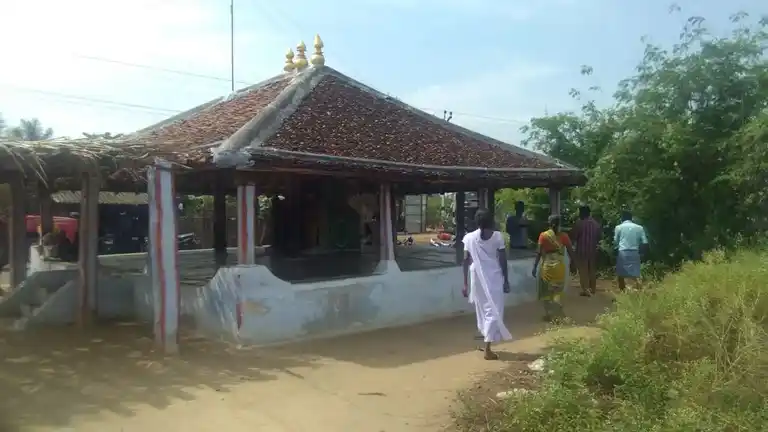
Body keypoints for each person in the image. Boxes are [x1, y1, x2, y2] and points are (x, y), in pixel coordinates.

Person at [462, 208, 512, 360]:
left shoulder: (468, 238)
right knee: (494, 311)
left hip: (476, 277)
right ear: (491, 221)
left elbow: (465, 261)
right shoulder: (498, 237)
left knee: (483, 310)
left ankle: (486, 341)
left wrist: (465, 284)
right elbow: (503, 260)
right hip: (494, 277)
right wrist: (506, 279)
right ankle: (487, 349)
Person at [532, 215, 575, 322]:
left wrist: (534, 266)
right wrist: (573, 265)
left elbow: (538, 253)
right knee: (557, 291)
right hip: (559, 267)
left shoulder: (543, 236)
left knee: (546, 292)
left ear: (549, 223)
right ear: (559, 224)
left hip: (547, 267)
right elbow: (571, 252)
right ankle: (557, 315)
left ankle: (549, 315)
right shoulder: (564, 236)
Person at [570, 205, 601, 296]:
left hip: (582, 250)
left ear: (582, 213)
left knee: (583, 270)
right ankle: (593, 289)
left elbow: (574, 236)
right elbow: (599, 237)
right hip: (593, 250)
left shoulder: (579, 223)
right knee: (592, 270)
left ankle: (585, 289)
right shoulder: (596, 224)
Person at [614, 210, 648, 291]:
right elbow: (645, 242)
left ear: (622, 218)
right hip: (635, 252)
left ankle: (623, 292)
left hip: (622, 252)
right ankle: (639, 291)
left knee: (621, 274)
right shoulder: (639, 228)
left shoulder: (618, 227)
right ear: (631, 218)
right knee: (635, 273)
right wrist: (643, 253)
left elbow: (615, 241)